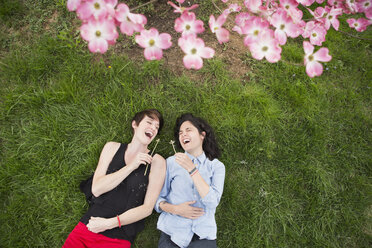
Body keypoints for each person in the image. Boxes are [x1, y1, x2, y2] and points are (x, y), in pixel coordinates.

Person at [63, 109, 166, 248]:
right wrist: (131, 166)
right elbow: (97, 189)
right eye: (149, 122)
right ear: (134, 124)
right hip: (89, 226)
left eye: (156, 127)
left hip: (118, 237)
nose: (153, 128)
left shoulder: (157, 161)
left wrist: (109, 223)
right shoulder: (111, 147)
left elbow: (147, 209)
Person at [155, 113, 225, 248]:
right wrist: (175, 209)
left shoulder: (216, 166)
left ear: (202, 135)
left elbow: (212, 202)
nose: (183, 135)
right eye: (180, 133)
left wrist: (192, 170)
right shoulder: (171, 163)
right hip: (172, 233)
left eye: (188, 130)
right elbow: (157, 200)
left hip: (203, 235)